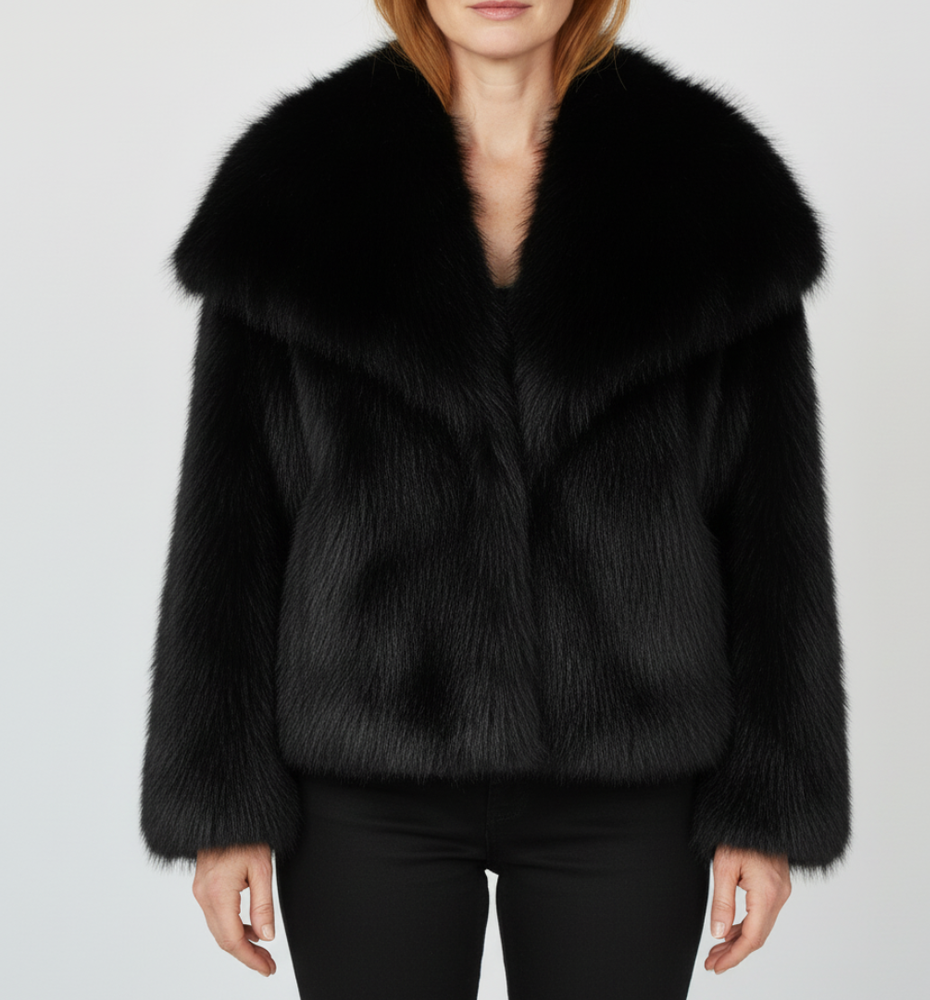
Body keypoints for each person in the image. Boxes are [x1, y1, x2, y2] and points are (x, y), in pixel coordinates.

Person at [139, 1, 852, 996]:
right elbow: (229, 522)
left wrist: (767, 806)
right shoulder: (298, 188)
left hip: (628, 783)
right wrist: (222, 805)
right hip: (363, 779)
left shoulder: (707, 189)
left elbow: (774, 531)